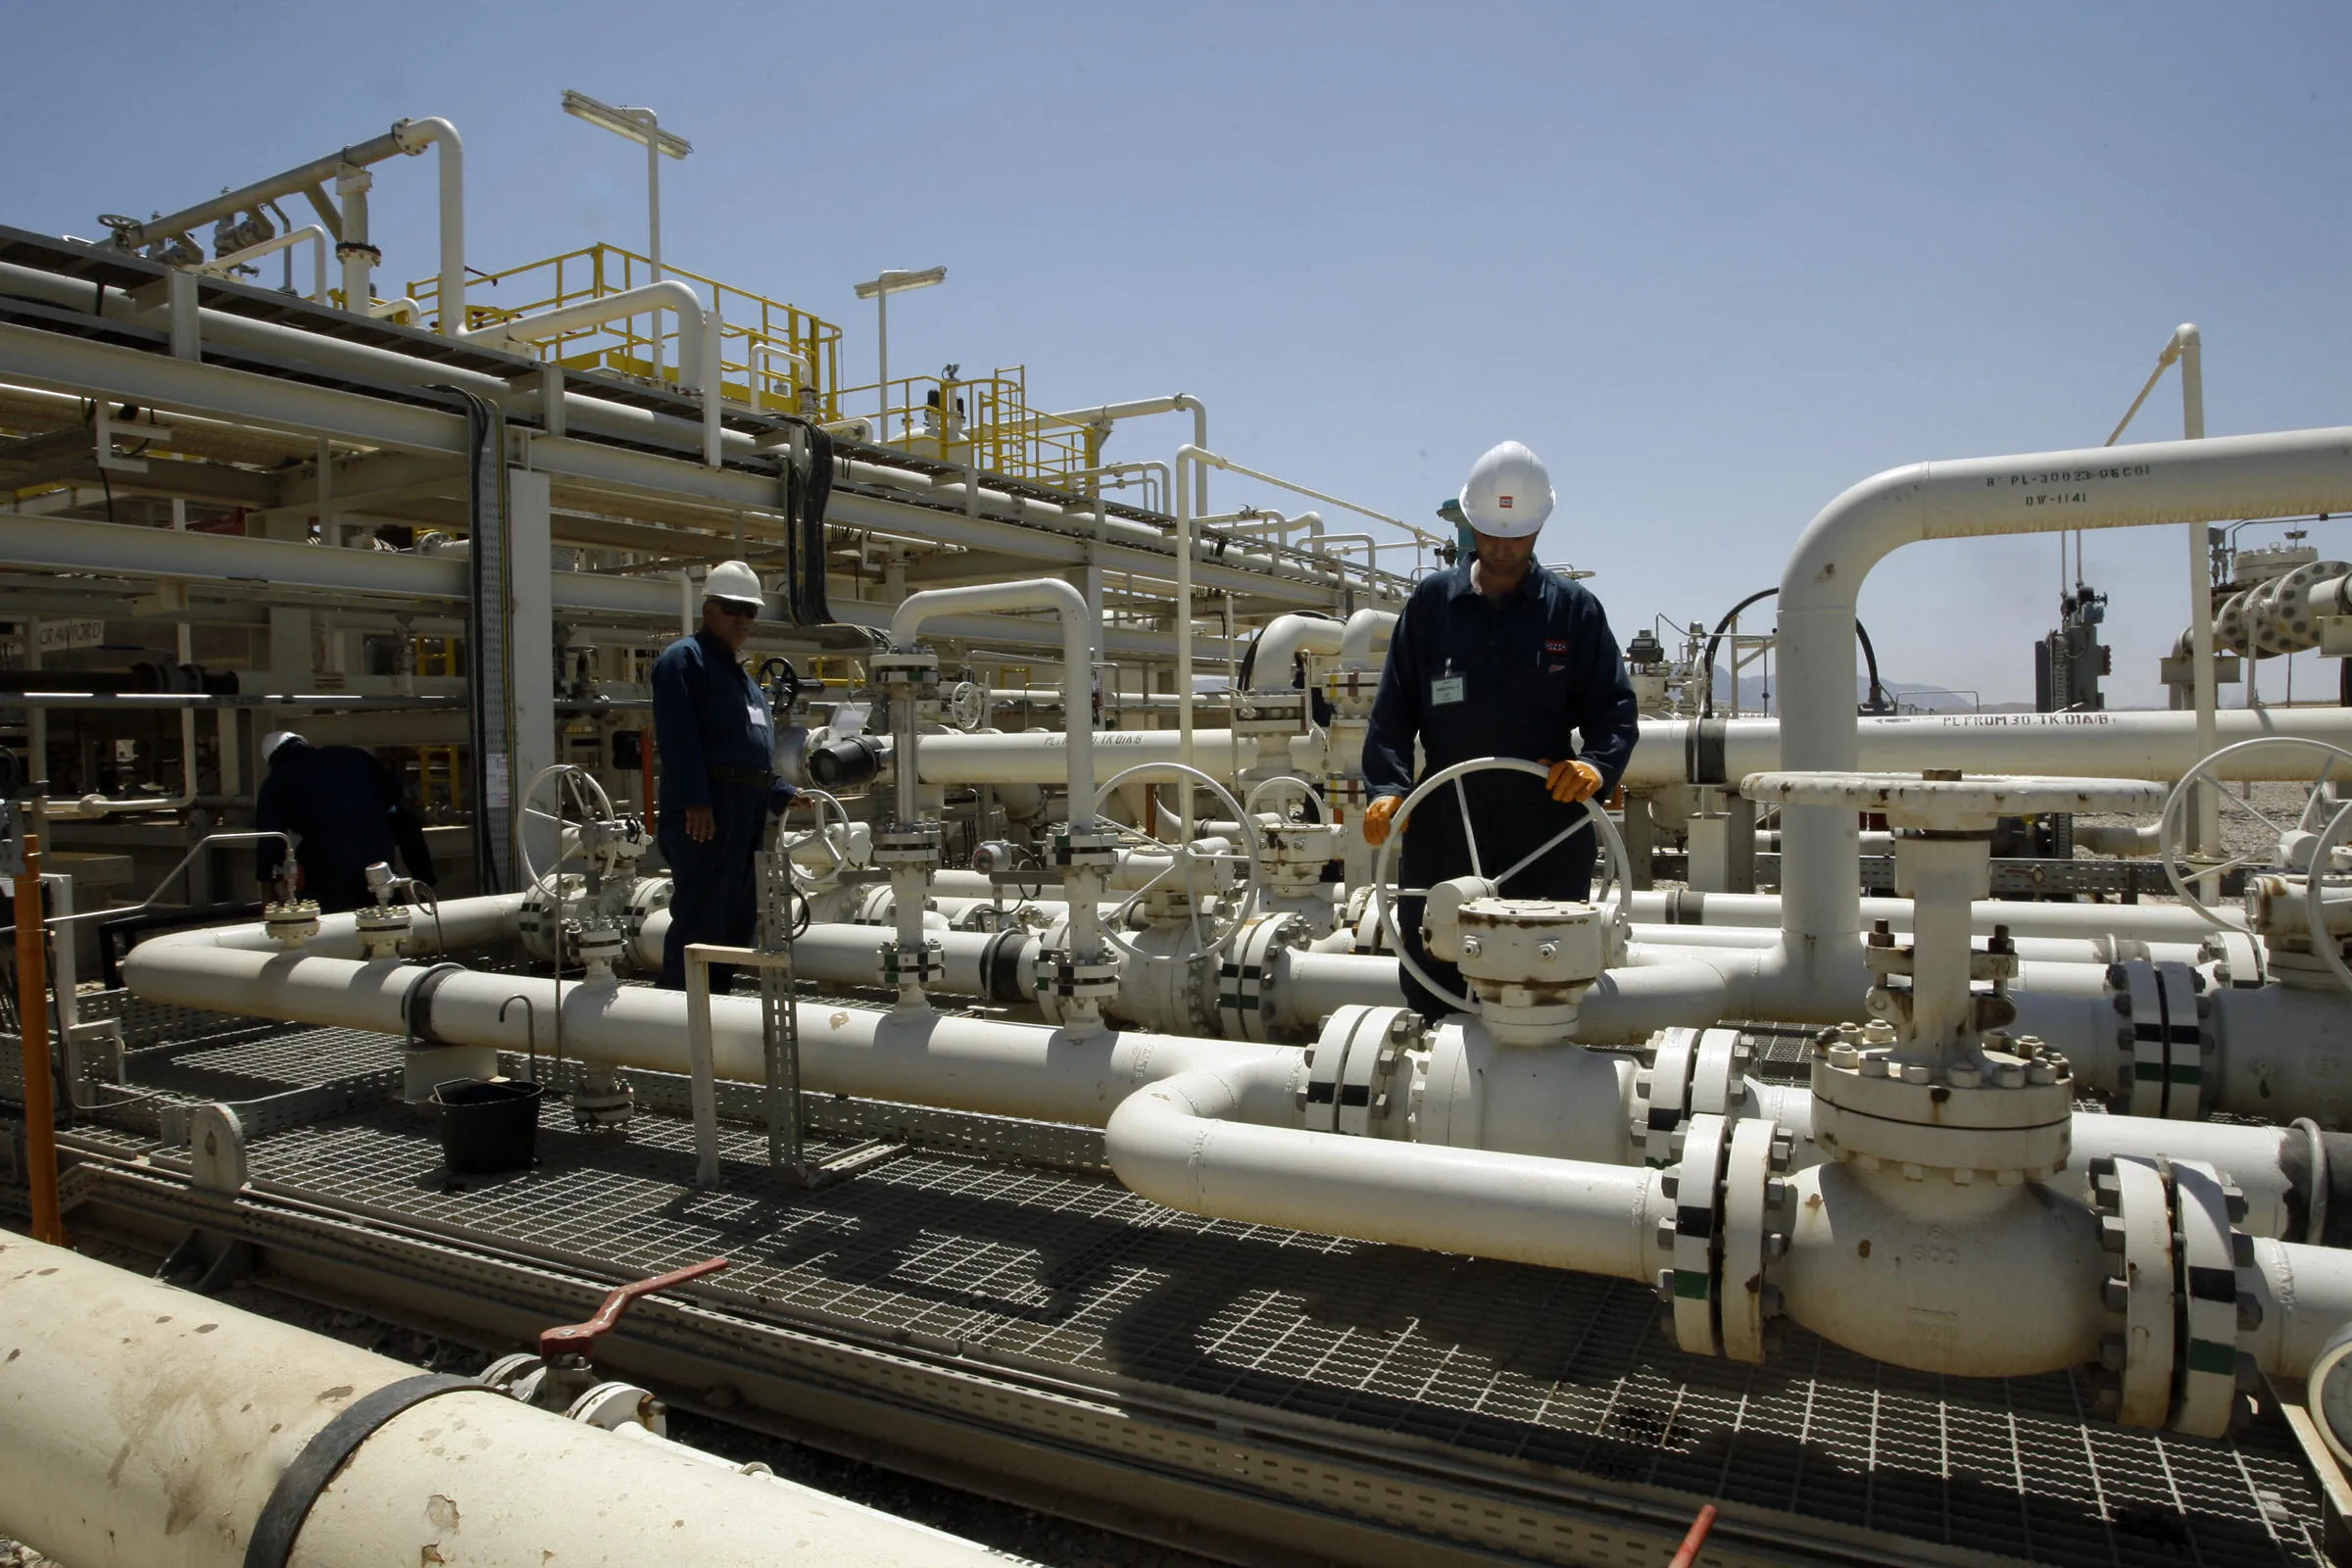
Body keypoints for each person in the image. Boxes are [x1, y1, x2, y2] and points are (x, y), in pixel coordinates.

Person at [1360, 441, 1641, 1021]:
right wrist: (1387, 790)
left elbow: (1614, 707)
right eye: (1489, 532)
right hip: (1444, 826)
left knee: (1542, 985)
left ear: (1540, 529)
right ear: (1469, 525)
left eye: (1516, 534)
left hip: (1545, 829)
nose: (1502, 546)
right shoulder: (1432, 605)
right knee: (1435, 971)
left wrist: (1596, 766)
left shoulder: (1572, 611)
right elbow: (1393, 712)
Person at [651, 560, 798, 994]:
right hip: (709, 810)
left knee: (736, 917)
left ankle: (715, 1008)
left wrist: (783, 791)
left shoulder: (740, 675)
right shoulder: (684, 661)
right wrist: (696, 801)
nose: (742, 619)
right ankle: (680, 1016)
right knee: (701, 915)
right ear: (708, 608)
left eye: (749, 611)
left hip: (745, 810)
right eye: (732, 608)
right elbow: (679, 739)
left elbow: (750, 750)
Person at [252, 732, 437, 912]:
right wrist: (424, 876)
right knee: (384, 908)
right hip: (377, 854)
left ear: (272, 759)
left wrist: (271, 882)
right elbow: (395, 796)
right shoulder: (353, 756)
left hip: (327, 863)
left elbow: (271, 838)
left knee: (315, 915)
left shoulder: (277, 780)